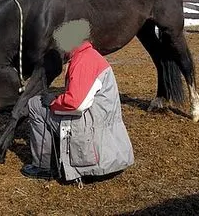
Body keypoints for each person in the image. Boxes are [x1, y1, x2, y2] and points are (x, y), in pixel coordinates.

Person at [21, 20, 134, 183]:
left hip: (92, 135)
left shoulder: (82, 61)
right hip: (104, 132)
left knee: (35, 105)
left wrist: (54, 102)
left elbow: (76, 103)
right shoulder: (92, 55)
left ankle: (43, 166)